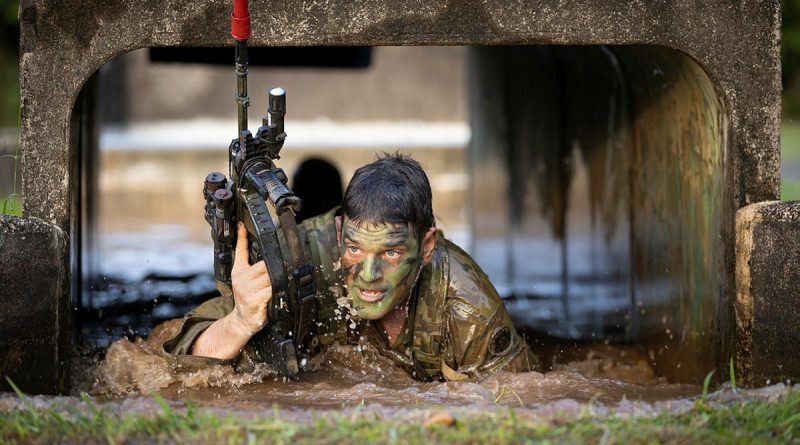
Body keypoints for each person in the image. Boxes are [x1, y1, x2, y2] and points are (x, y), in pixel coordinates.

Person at [162, 153, 538, 381]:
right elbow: (172, 359)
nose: (369, 275)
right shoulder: (300, 260)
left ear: (426, 246)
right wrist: (240, 321)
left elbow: (523, 400)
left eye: (390, 254)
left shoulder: (466, 306)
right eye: (355, 249)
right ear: (339, 231)